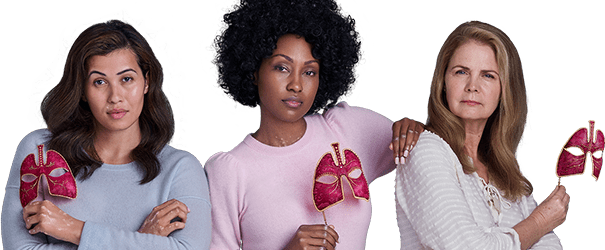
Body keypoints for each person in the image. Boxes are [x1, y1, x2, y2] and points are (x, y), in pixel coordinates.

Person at [205, 0, 423, 249]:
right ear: (254, 71)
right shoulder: (229, 171)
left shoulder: (347, 128)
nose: (296, 85)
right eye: (281, 68)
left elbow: (428, 154)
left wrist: (417, 131)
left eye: (309, 72)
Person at [1, 20, 211, 249]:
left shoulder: (181, 168)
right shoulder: (40, 152)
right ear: (82, 90)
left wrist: (75, 230)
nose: (115, 96)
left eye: (127, 79)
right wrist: (142, 240)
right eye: (99, 82)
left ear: (146, 82)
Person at [392, 20, 569, 249]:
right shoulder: (425, 150)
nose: (472, 86)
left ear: (504, 90)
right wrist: (540, 222)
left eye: (488, 75)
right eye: (461, 72)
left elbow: (550, 246)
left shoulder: (506, 170)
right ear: (443, 82)